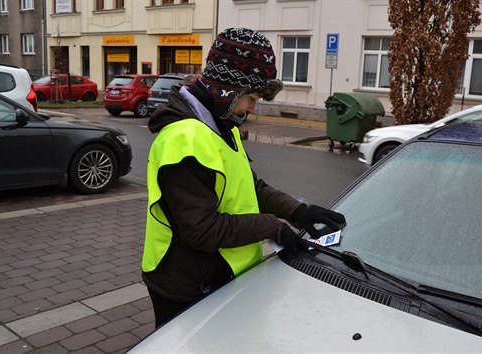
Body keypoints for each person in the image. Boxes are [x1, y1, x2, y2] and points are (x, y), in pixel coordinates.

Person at [142, 27, 346, 328]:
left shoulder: (220, 126)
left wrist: (298, 211)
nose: (251, 108)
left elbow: (250, 185)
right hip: (185, 285)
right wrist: (272, 227)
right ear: (226, 88)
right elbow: (202, 230)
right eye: (250, 97)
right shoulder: (185, 139)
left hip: (216, 274)